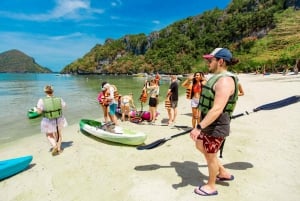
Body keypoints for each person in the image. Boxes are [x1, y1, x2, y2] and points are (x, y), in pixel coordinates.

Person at [190, 48, 240, 196]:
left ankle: (211, 186)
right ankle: (223, 172)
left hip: (217, 124)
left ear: (221, 61)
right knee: (200, 145)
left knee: (211, 155)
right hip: (209, 122)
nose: (207, 63)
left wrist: (198, 127)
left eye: (210, 60)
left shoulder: (225, 81)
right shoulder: (217, 77)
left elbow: (217, 108)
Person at [36, 85, 67, 156]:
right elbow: (64, 106)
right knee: (58, 134)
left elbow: (39, 112)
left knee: (49, 134)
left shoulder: (41, 100)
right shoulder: (59, 99)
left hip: (48, 120)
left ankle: (54, 145)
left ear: (45, 92)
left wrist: (37, 109)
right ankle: (59, 149)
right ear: (53, 91)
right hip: (59, 118)